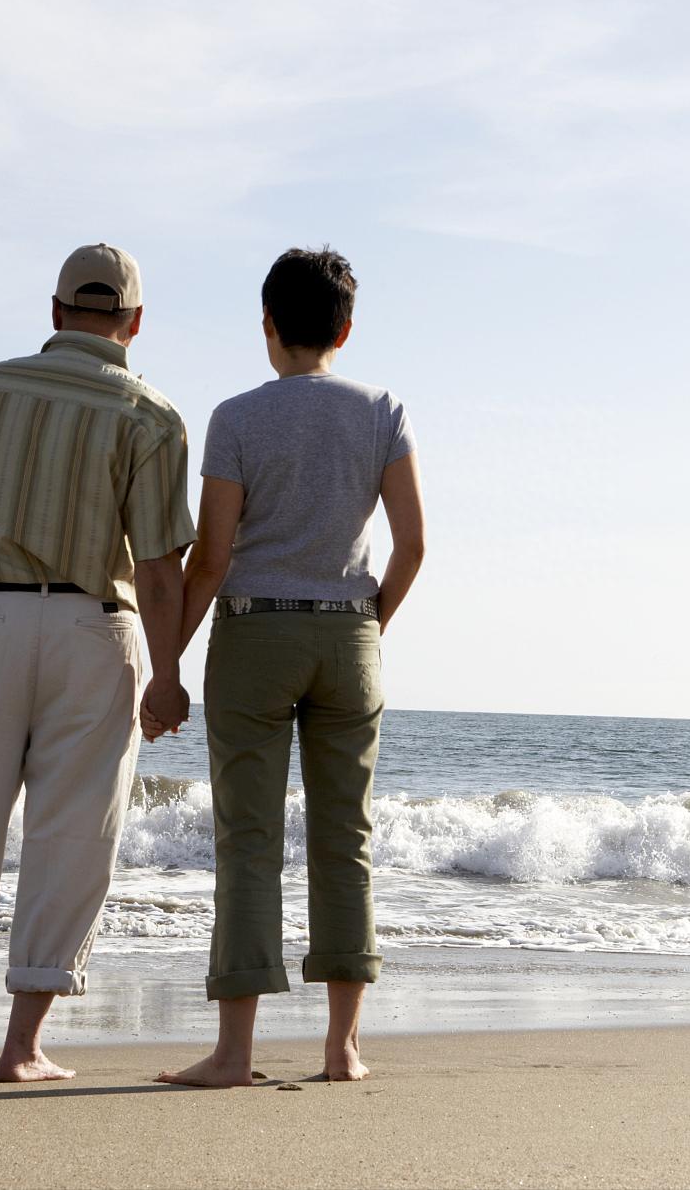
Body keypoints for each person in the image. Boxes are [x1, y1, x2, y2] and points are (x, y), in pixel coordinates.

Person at [0, 243, 195, 1083]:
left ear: (57, 311)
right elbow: (163, 565)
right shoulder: (151, 413)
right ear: (133, 323)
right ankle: (21, 1047)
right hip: (95, 624)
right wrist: (168, 674)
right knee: (71, 834)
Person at [155, 246, 425, 1087]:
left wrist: (167, 664)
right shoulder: (382, 407)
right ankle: (341, 1048)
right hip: (350, 635)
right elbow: (413, 546)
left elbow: (210, 558)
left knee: (248, 841)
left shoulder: (237, 417)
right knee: (346, 839)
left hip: (254, 635)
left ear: (268, 327)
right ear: (345, 328)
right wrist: (366, 624)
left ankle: (235, 1053)